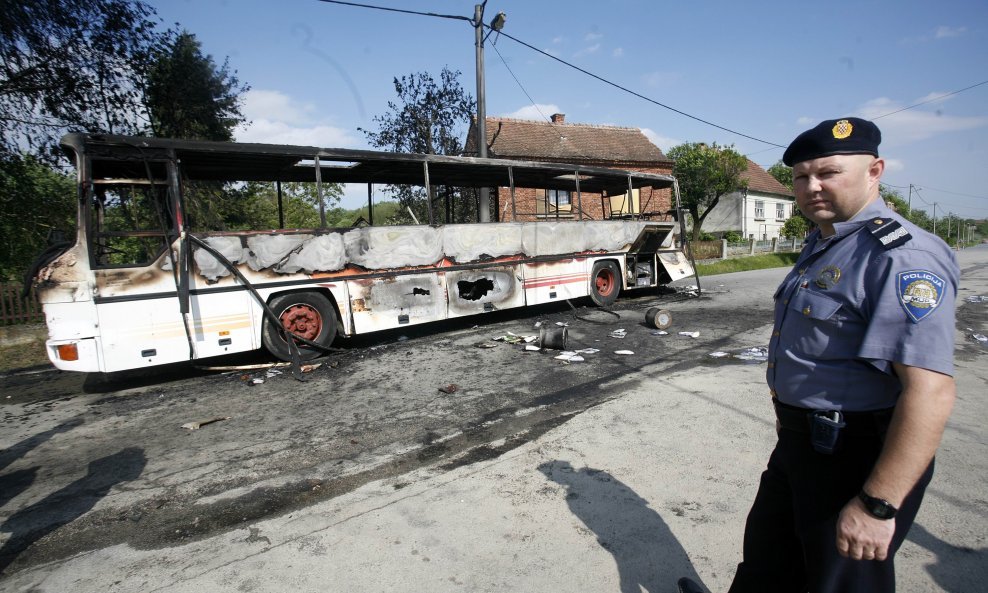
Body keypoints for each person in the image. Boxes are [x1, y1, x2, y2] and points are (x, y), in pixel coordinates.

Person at [680, 117, 958, 593]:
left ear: (875, 171)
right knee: (767, 564)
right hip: (802, 444)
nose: (811, 187)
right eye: (801, 177)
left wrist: (877, 505)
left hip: (854, 458)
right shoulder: (827, 242)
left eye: (828, 173)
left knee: (837, 582)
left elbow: (930, 391)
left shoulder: (899, 258)